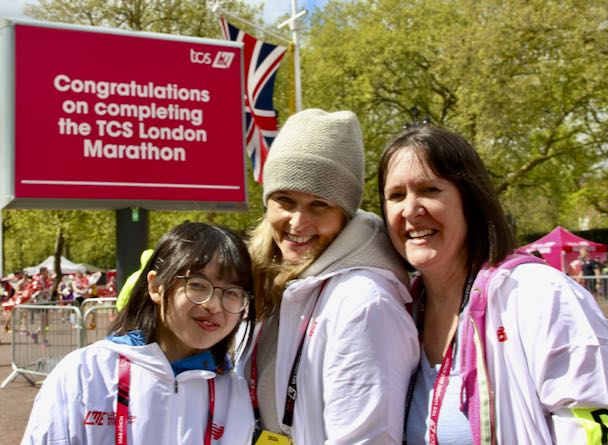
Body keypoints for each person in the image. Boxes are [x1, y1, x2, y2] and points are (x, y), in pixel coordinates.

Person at [377, 125, 608, 444]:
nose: (410, 210)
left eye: (430, 190)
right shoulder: (398, 313)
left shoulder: (541, 296)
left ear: (470, 201)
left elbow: (600, 434)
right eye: (396, 195)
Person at [238, 108, 419, 444]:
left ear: (345, 215)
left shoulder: (365, 304)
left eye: (319, 204)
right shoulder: (268, 284)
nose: (297, 222)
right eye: (285, 200)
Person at [21, 222, 256, 444]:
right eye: (197, 285)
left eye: (232, 292)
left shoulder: (236, 393)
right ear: (156, 286)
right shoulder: (87, 373)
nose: (214, 305)